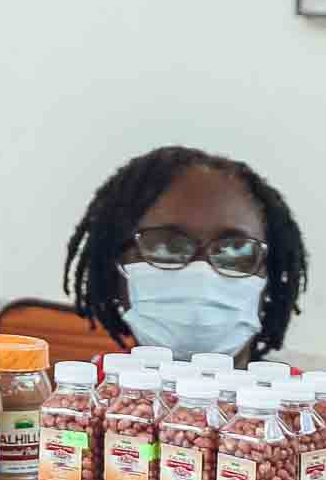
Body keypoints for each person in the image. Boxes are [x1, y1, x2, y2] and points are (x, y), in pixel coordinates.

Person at [63, 145, 310, 363]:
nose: (201, 272)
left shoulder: (304, 410)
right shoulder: (78, 405)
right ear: (115, 266)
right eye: (166, 247)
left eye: (235, 250)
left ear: (270, 276)